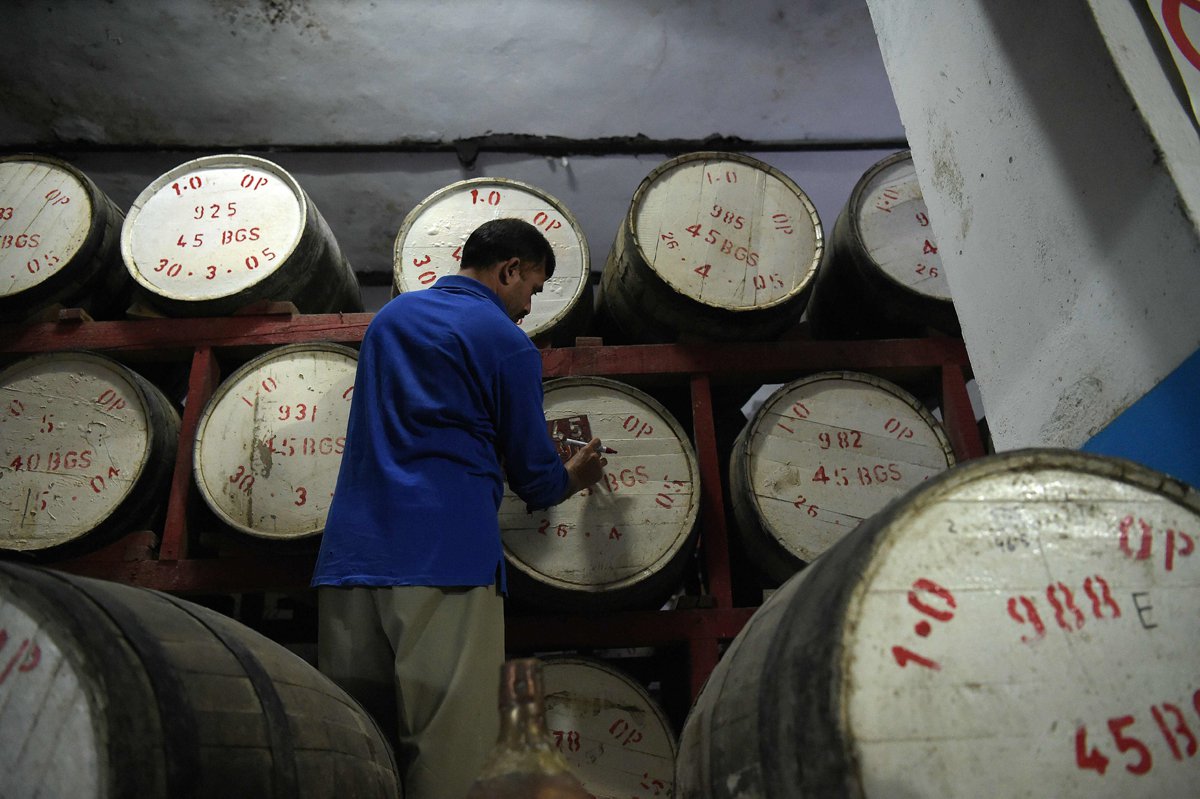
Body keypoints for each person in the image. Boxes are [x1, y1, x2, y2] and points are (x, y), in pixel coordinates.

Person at [312, 218, 606, 799]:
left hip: (351, 560)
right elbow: (535, 477)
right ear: (509, 270)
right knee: (451, 756)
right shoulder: (504, 342)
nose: (528, 307)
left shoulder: (388, 321)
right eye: (533, 289)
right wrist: (575, 476)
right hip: (444, 562)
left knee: (353, 752)